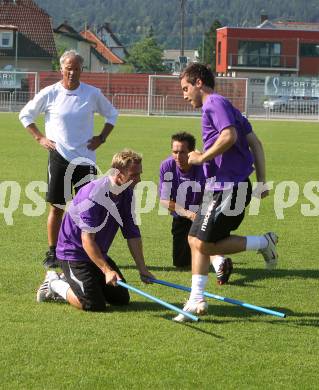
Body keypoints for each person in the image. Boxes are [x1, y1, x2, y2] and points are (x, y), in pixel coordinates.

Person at [173, 63, 278, 322]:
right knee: (194, 240)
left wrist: (201, 158)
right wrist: (262, 181)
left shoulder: (214, 104)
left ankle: (197, 299)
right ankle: (196, 299)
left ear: (199, 82)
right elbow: (255, 143)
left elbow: (229, 136)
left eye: (186, 88)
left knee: (203, 243)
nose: (184, 95)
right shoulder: (228, 106)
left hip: (229, 188)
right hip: (220, 187)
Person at [19, 49, 118, 269]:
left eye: (76, 68)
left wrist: (101, 137)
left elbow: (112, 114)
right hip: (60, 158)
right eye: (68, 68)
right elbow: (25, 114)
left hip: (86, 160)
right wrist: (40, 138)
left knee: (87, 207)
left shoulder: (92, 94)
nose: (72, 72)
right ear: (61, 69)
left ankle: (88, 250)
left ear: (82, 70)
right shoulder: (50, 93)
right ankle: (53, 252)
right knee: (57, 207)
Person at [36, 149, 155, 312]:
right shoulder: (94, 195)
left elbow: (132, 233)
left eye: (139, 174)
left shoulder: (126, 193)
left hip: (97, 253)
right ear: (119, 174)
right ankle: (54, 283)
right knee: (93, 304)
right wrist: (106, 270)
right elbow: (87, 240)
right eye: (134, 175)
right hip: (74, 254)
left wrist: (142, 268)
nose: (139, 180)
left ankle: (76, 280)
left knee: (120, 299)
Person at [159, 131, 233, 284]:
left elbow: (213, 196)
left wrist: (199, 215)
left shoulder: (203, 166)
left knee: (202, 242)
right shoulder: (167, 166)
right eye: (175, 152)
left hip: (205, 210)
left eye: (183, 152)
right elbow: (165, 200)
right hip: (182, 215)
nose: (178, 156)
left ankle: (220, 263)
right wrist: (188, 214)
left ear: (192, 152)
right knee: (181, 263)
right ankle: (216, 258)